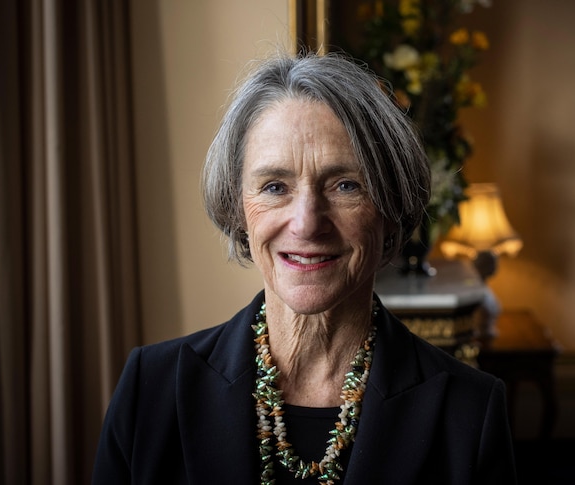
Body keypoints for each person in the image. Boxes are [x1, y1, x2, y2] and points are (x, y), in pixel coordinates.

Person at [92, 52, 517, 484]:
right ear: (238, 208)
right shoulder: (151, 388)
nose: (307, 223)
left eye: (345, 185)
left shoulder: (469, 411)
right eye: (275, 187)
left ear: (391, 208)